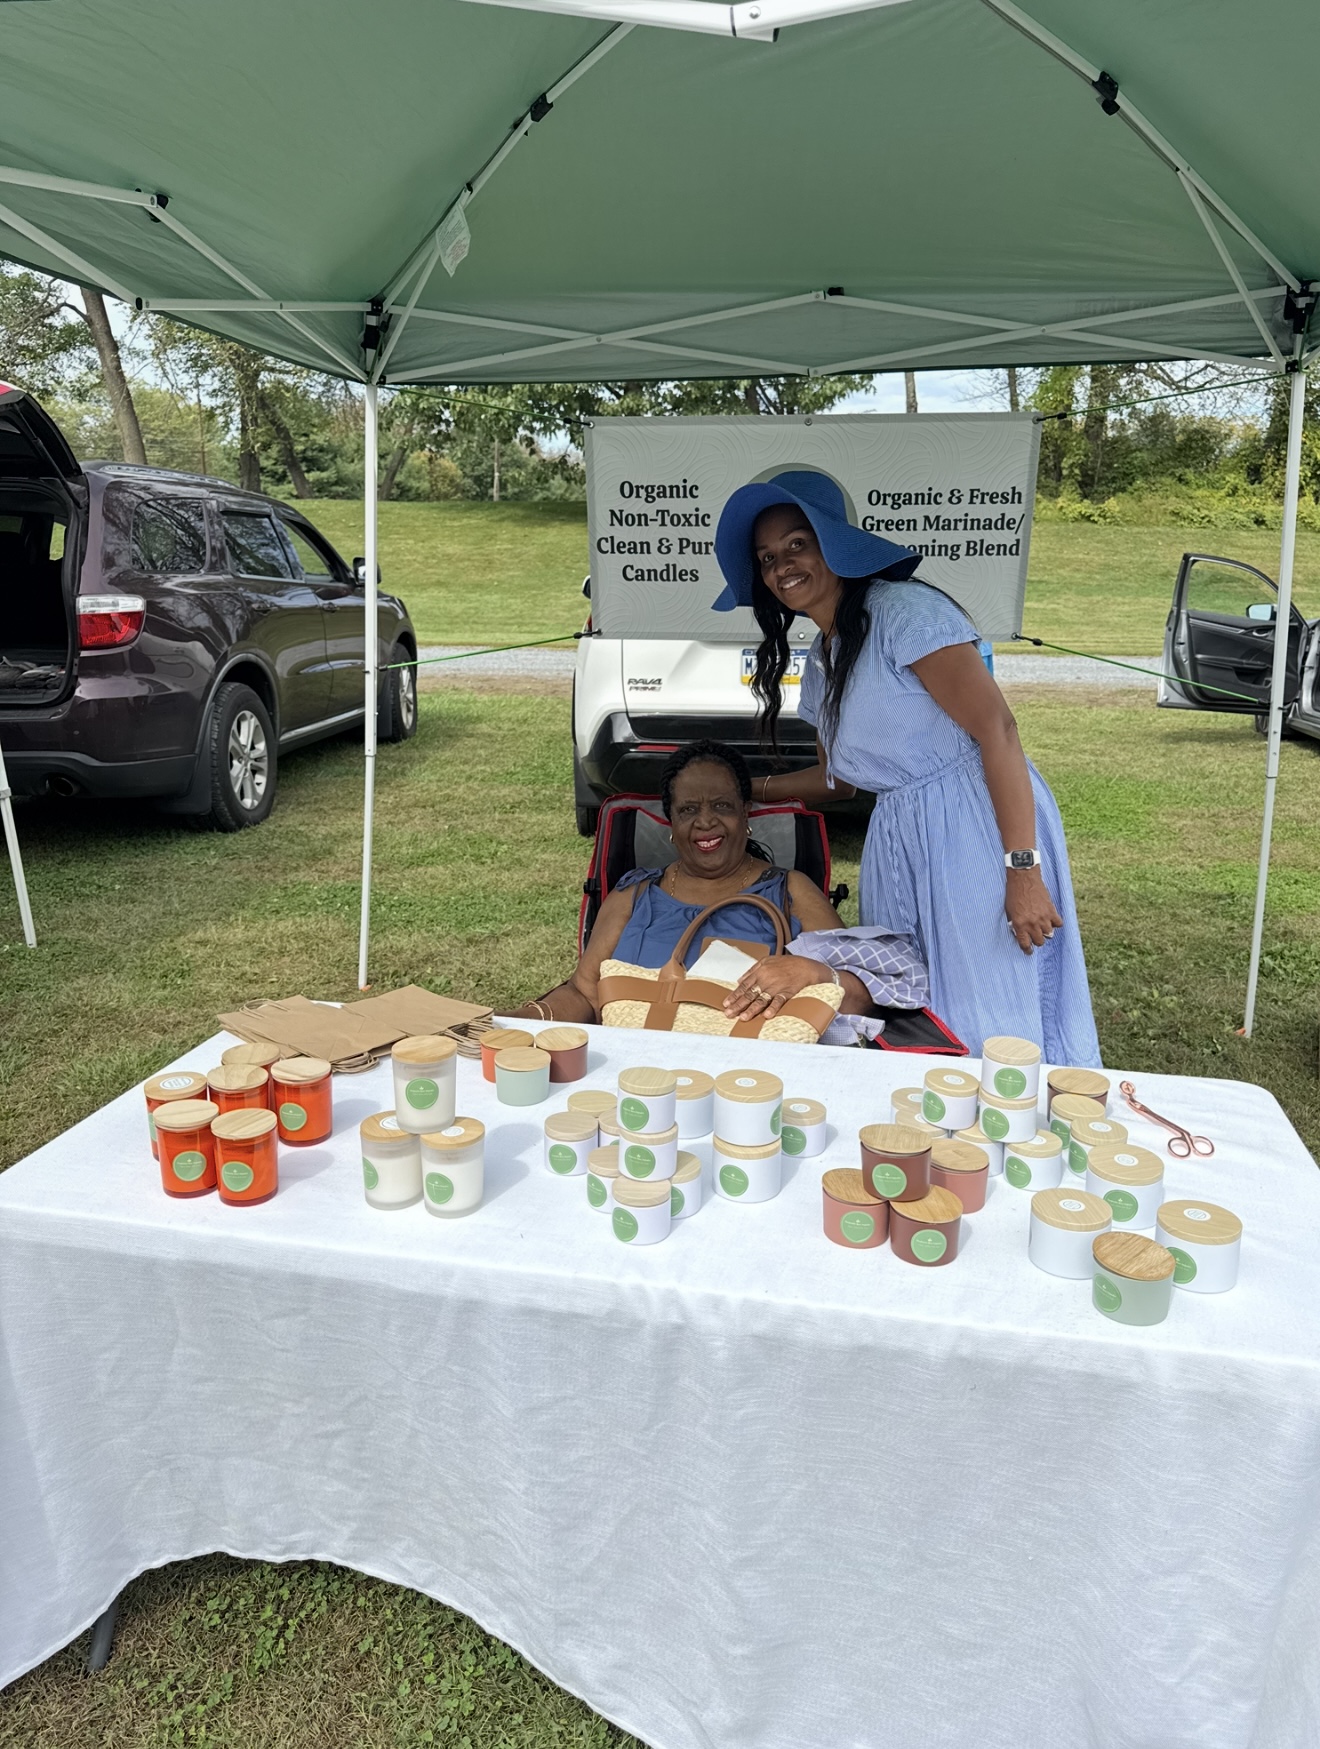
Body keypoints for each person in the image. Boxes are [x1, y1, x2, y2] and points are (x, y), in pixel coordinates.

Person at [712, 470, 1101, 1067]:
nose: (782, 565)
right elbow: (837, 781)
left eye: (798, 543)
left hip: (973, 824)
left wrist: (1022, 869)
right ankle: (936, 1125)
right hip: (898, 836)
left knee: (990, 999)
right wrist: (740, 793)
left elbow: (997, 731)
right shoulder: (824, 654)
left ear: (835, 542)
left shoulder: (907, 612)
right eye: (767, 557)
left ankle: (1016, 1123)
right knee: (914, 998)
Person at [515, 741, 905, 1031]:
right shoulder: (631, 896)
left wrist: (816, 974)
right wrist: (522, 1021)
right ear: (670, 822)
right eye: (688, 810)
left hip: (747, 1077)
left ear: (745, 813)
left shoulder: (790, 892)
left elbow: (862, 1002)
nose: (705, 822)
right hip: (633, 1073)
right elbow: (583, 993)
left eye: (721, 806)